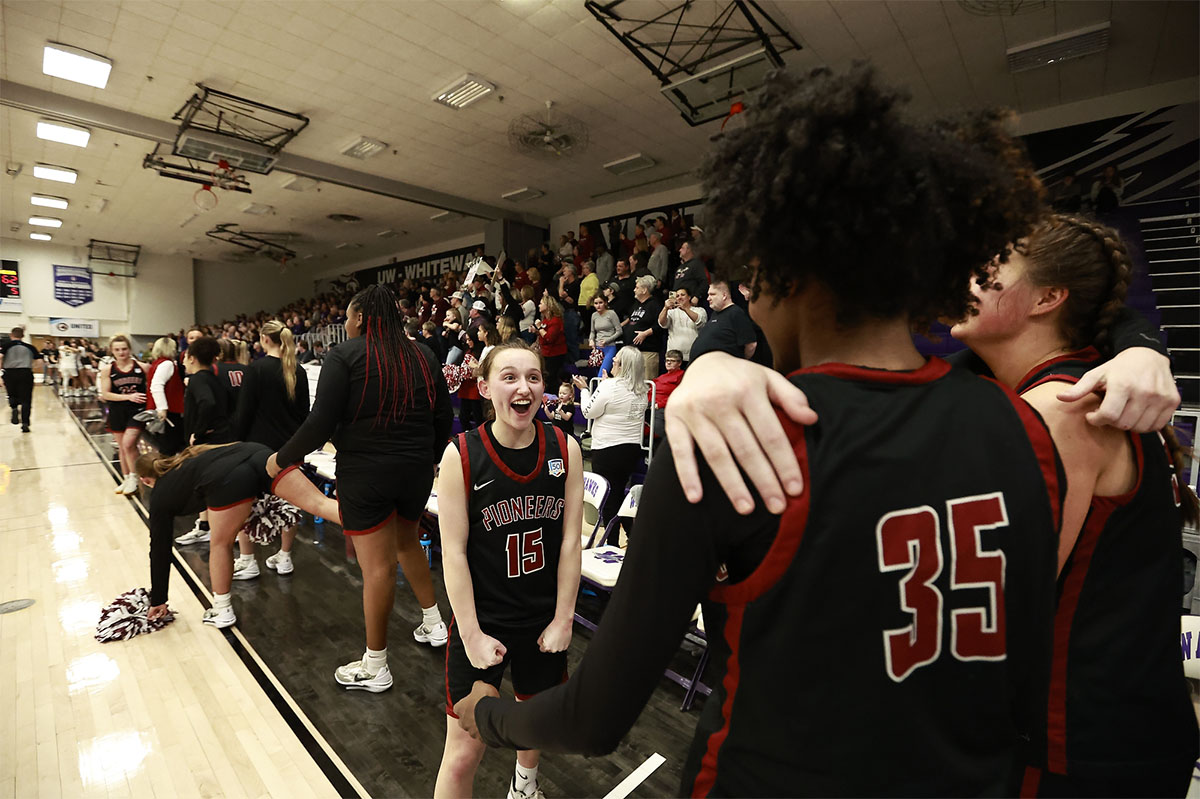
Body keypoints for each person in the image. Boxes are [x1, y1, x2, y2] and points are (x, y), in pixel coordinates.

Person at [455, 64, 1064, 796]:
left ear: (780, 266)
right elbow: (1030, 687)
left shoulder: (732, 438)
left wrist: (492, 716)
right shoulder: (1022, 426)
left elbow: (593, 718)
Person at [950, 214, 1199, 796]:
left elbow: (998, 609)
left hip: (1071, 745)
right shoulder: (1075, 384)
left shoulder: (1061, 406)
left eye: (988, 270)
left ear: (1048, 297)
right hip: (1119, 733)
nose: (966, 280)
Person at [268, 285, 453, 692]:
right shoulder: (423, 354)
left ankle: (376, 665)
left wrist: (281, 459)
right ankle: (435, 623)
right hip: (417, 472)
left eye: (349, 318)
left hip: (367, 475)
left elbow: (320, 424)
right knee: (408, 541)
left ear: (362, 319)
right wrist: (429, 458)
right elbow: (443, 418)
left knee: (378, 569)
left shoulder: (345, 355)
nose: (346, 324)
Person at [433, 341, 582, 799]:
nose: (524, 387)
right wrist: (473, 634)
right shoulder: (460, 454)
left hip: (542, 622)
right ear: (483, 387)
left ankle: (524, 786)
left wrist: (563, 619)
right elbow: (452, 553)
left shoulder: (565, 447)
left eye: (534, 377)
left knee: (533, 726)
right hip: (484, 623)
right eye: (510, 376)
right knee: (461, 755)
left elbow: (571, 542)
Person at [136, 442, 340, 628]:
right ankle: (369, 524)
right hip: (260, 454)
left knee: (220, 544)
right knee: (319, 503)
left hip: (229, 479)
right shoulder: (191, 456)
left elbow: (160, 550)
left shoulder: (160, 496)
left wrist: (158, 599)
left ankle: (222, 609)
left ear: (145, 480)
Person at [231, 320, 310, 579]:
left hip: (257, 449)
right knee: (289, 505)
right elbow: (304, 416)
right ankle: (285, 556)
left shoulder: (256, 369)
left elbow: (244, 412)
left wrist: (235, 443)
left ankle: (248, 559)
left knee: (247, 502)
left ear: (265, 339)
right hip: (290, 448)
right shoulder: (298, 370)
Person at [571, 346, 647, 524]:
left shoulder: (609, 386)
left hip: (607, 449)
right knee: (620, 493)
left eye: (616, 360)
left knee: (607, 499)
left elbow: (588, 411)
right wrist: (605, 385)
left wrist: (584, 390)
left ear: (623, 365)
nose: (612, 360)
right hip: (630, 449)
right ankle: (630, 535)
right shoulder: (642, 389)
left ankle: (610, 544)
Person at [99, 334, 149, 494]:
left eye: (124, 349)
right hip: (117, 411)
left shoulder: (143, 367)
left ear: (130, 349)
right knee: (122, 447)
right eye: (117, 350)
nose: (121, 352)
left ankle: (135, 478)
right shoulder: (108, 370)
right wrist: (128, 396)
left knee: (129, 444)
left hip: (137, 412)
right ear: (112, 351)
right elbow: (106, 394)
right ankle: (126, 478)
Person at [687, 279, 756, 362]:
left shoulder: (736, 313)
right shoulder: (714, 314)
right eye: (708, 295)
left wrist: (738, 363)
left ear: (724, 295)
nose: (708, 298)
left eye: (712, 294)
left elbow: (751, 344)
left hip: (722, 368)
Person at [183, 336, 232, 447]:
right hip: (220, 435)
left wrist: (198, 433)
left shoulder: (197, 379)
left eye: (185, 357)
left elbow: (207, 402)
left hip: (204, 442)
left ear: (191, 358)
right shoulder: (215, 378)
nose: (183, 362)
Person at [145, 336, 186, 457]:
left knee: (166, 446)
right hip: (169, 411)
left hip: (162, 409)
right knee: (168, 448)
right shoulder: (167, 364)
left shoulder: (158, 363)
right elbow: (156, 386)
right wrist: (162, 408)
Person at [0, 327, 41, 432]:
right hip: (26, 372)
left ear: (11, 335)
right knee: (26, 399)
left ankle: (14, 408)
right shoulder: (30, 347)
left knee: (12, 393)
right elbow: (40, 361)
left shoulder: (6, 346)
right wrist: (32, 366)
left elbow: (0, 357)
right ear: (23, 336)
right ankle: (25, 423)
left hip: (10, 372)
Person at [623, 275, 664, 377]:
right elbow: (630, 319)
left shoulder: (655, 305)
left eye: (637, 288)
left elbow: (660, 325)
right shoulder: (636, 304)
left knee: (647, 383)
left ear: (644, 290)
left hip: (648, 352)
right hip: (633, 351)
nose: (634, 290)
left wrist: (645, 333)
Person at [657, 286, 706, 363]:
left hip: (693, 356)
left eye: (682, 295)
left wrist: (685, 309)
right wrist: (665, 308)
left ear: (689, 297)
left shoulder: (699, 310)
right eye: (677, 296)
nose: (679, 297)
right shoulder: (671, 312)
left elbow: (699, 321)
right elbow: (662, 323)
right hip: (674, 358)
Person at [648, 350, 685, 440]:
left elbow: (678, 395)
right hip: (651, 404)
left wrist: (659, 405)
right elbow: (651, 391)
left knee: (656, 428)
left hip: (664, 407)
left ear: (679, 363)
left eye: (672, 361)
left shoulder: (682, 376)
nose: (668, 363)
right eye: (667, 360)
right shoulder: (661, 377)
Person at [586, 294, 622, 377]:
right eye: (596, 303)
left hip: (610, 347)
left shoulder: (611, 313)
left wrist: (607, 340)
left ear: (605, 303)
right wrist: (591, 340)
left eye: (600, 303)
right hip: (598, 348)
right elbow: (592, 331)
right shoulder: (594, 315)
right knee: (595, 373)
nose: (598, 305)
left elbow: (619, 331)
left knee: (602, 374)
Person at [535, 295, 566, 385]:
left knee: (551, 379)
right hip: (546, 353)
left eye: (541, 303)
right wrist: (536, 331)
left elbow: (549, 338)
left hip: (555, 354)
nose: (539, 305)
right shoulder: (545, 320)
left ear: (548, 306)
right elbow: (543, 334)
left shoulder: (556, 321)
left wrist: (539, 327)